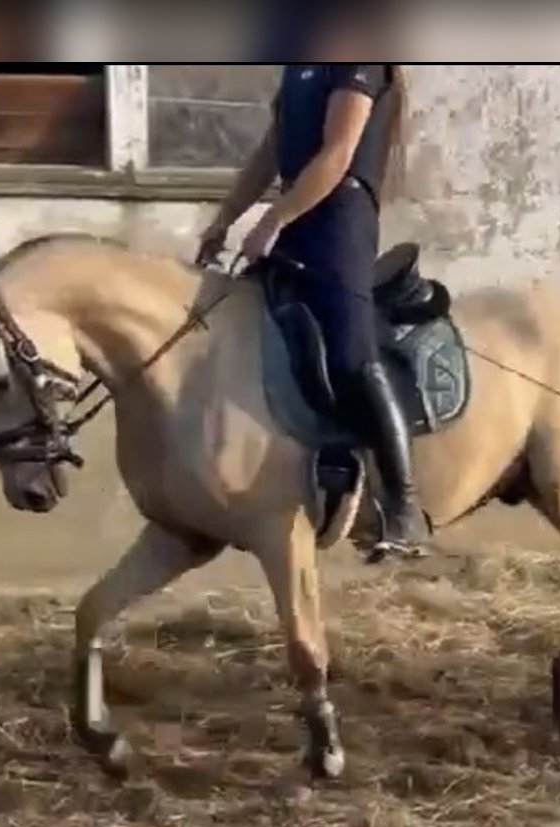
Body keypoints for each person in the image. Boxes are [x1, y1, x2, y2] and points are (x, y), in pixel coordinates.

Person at [195, 24, 429, 558]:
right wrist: (225, 219)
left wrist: (275, 218)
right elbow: (271, 151)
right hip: (298, 211)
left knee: (350, 356)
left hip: (338, 219)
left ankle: (403, 505)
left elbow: (338, 152)